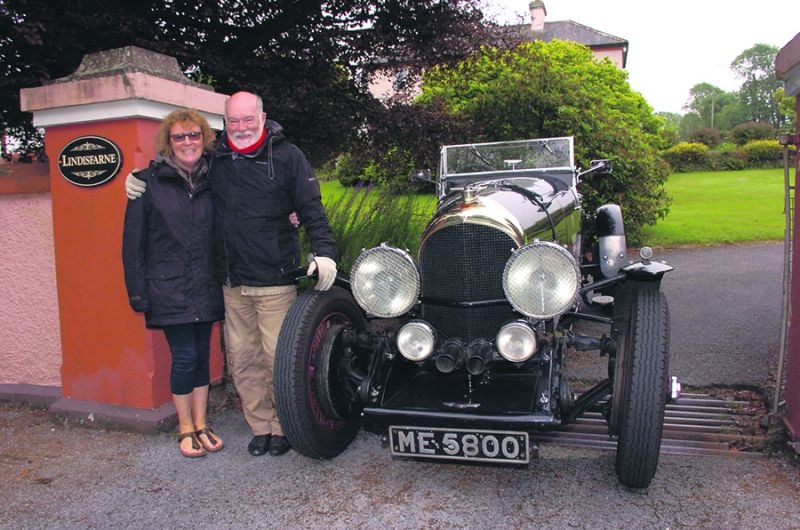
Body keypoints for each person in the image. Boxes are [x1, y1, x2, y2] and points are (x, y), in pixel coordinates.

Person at [126, 91, 338, 457]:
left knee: (279, 360)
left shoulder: (287, 156)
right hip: (231, 282)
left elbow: (310, 208)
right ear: (225, 123)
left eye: (247, 119)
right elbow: (176, 168)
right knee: (243, 362)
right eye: (233, 121)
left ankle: (284, 426)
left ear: (262, 116)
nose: (240, 127)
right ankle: (260, 427)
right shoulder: (217, 157)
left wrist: (325, 252)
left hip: (274, 279)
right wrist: (137, 178)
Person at [122, 108, 225, 459]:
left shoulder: (217, 179)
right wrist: (137, 291)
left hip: (207, 283)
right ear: (169, 141)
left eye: (194, 135)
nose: (187, 142)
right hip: (169, 286)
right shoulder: (147, 182)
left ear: (204, 138)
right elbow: (132, 243)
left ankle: (202, 424)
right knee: (183, 357)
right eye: (180, 136)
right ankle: (185, 427)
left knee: (200, 359)